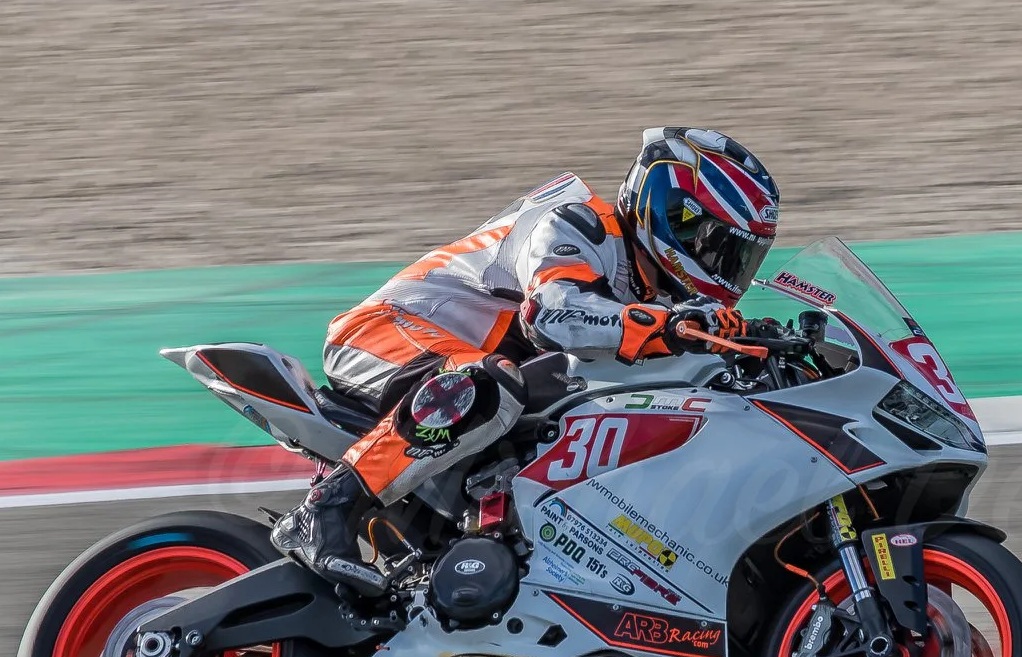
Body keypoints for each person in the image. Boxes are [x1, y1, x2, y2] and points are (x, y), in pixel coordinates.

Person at [270, 127, 781, 591]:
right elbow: (552, 313)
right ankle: (326, 508)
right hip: (384, 331)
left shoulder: (655, 293)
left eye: (743, 259)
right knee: (489, 384)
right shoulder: (579, 225)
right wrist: (667, 326)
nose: (728, 270)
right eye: (721, 249)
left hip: (468, 369)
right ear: (672, 215)